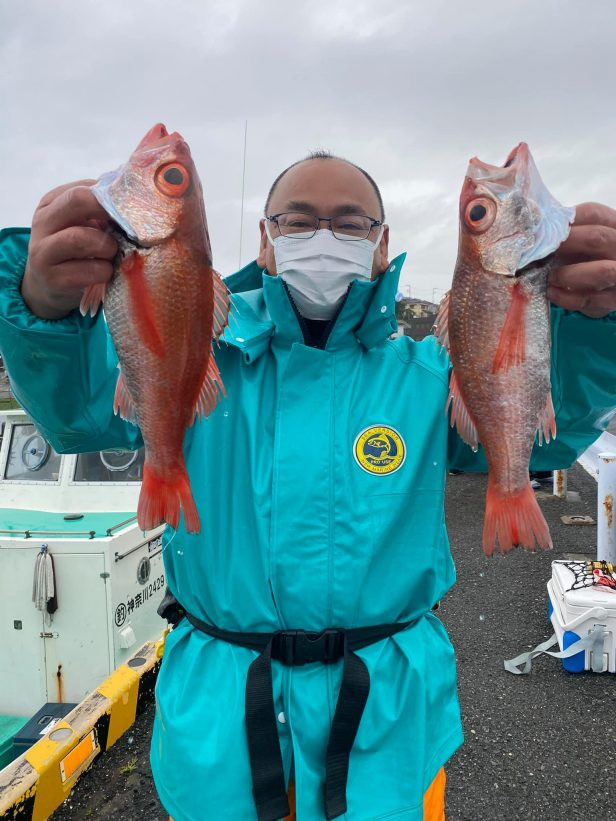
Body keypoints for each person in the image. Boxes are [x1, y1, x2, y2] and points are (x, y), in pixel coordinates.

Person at [1, 150, 615, 821]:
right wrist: (45, 309)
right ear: (264, 240)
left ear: (383, 247)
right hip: (220, 723)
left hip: (386, 716)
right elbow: (82, 415)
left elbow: (537, 433)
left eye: (350, 224)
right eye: (298, 221)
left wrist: (595, 327)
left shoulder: (427, 373)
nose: (323, 238)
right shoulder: (194, 348)